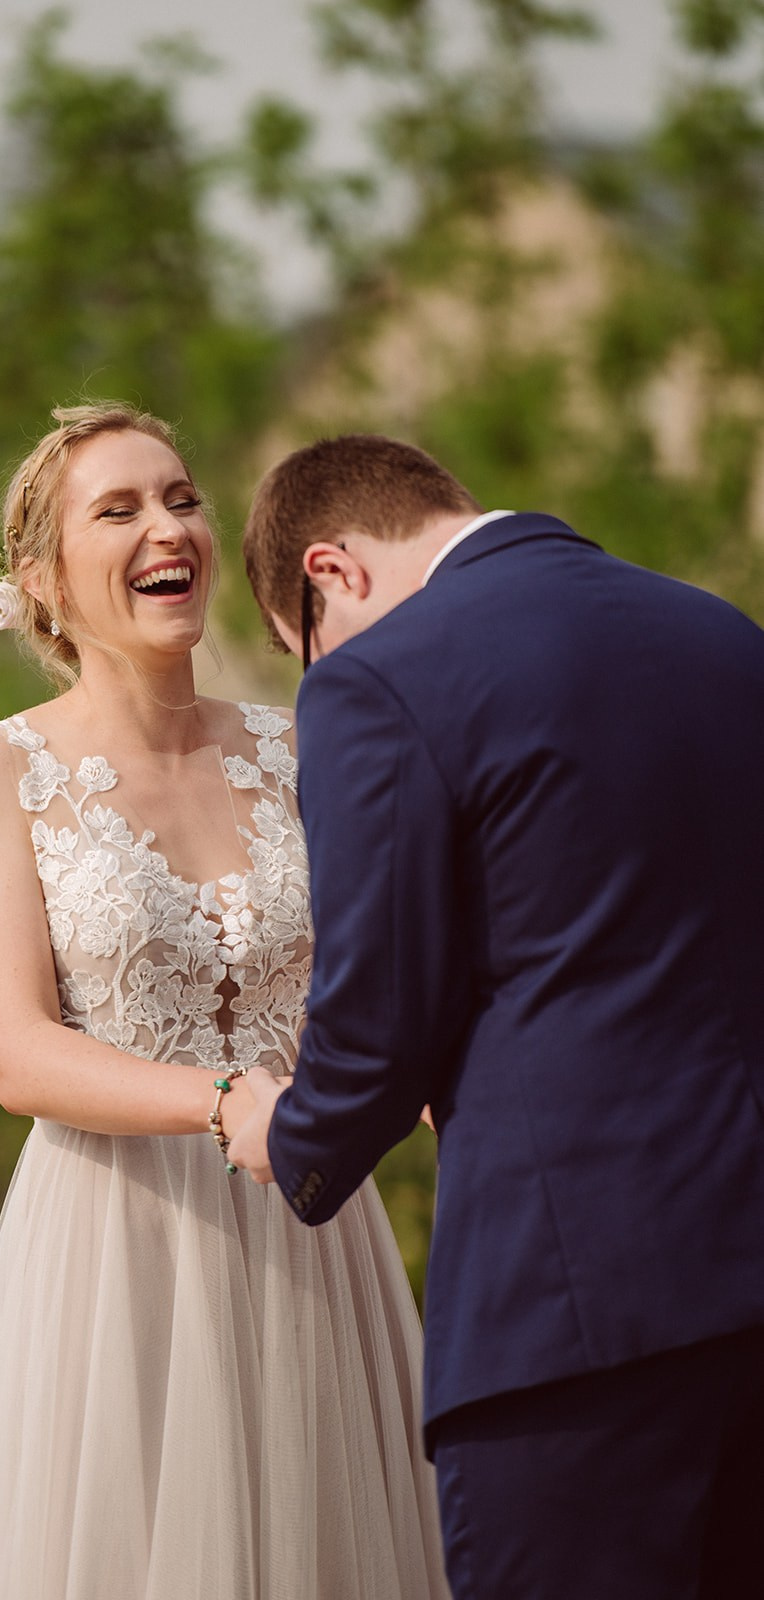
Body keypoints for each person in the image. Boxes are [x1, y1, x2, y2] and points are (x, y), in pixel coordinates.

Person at [0, 404, 450, 1600]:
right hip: (117, 1258)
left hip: (315, 1233)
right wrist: (226, 1101)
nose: (171, 526)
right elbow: (17, 1055)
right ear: (43, 581)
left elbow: (387, 984)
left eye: (183, 497)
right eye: (121, 509)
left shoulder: (303, 745)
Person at [230, 432, 764, 1600]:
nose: (310, 675)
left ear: (331, 572)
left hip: (579, 1321)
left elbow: (376, 1023)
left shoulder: (377, 679)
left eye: (298, 649)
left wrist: (289, 1135)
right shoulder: (721, 631)